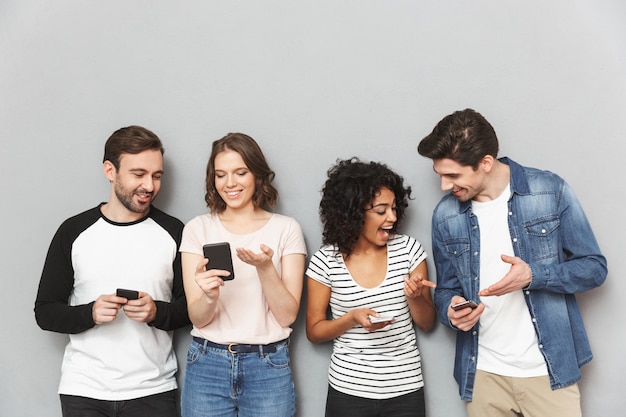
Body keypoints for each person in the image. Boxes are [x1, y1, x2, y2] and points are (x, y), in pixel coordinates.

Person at [417, 108, 608, 417]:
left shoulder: (549, 190)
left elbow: (594, 267)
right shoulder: (445, 215)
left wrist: (533, 275)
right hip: (482, 374)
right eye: (440, 175)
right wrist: (450, 309)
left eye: (452, 175)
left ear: (486, 163)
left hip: (548, 371)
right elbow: (445, 289)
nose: (444, 186)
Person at [35, 125, 191, 417]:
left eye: (157, 176)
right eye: (138, 174)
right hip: (84, 391)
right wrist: (89, 314)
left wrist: (157, 312)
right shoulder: (73, 231)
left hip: (153, 391)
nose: (149, 185)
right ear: (110, 170)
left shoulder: (174, 231)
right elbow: (44, 311)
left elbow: (192, 310)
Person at [179, 132, 306, 417]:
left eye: (240, 172)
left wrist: (264, 268)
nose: (230, 183)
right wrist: (210, 295)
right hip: (207, 363)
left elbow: (287, 315)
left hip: (267, 365)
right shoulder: (197, 229)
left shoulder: (287, 229)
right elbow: (198, 317)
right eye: (221, 175)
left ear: (257, 175)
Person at [306, 158, 436, 417]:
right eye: (381, 211)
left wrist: (416, 297)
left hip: (405, 389)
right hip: (348, 390)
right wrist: (352, 319)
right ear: (353, 213)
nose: (392, 217)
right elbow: (314, 331)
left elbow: (427, 323)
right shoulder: (325, 261)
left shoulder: (409, 250)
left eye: (394, 208)